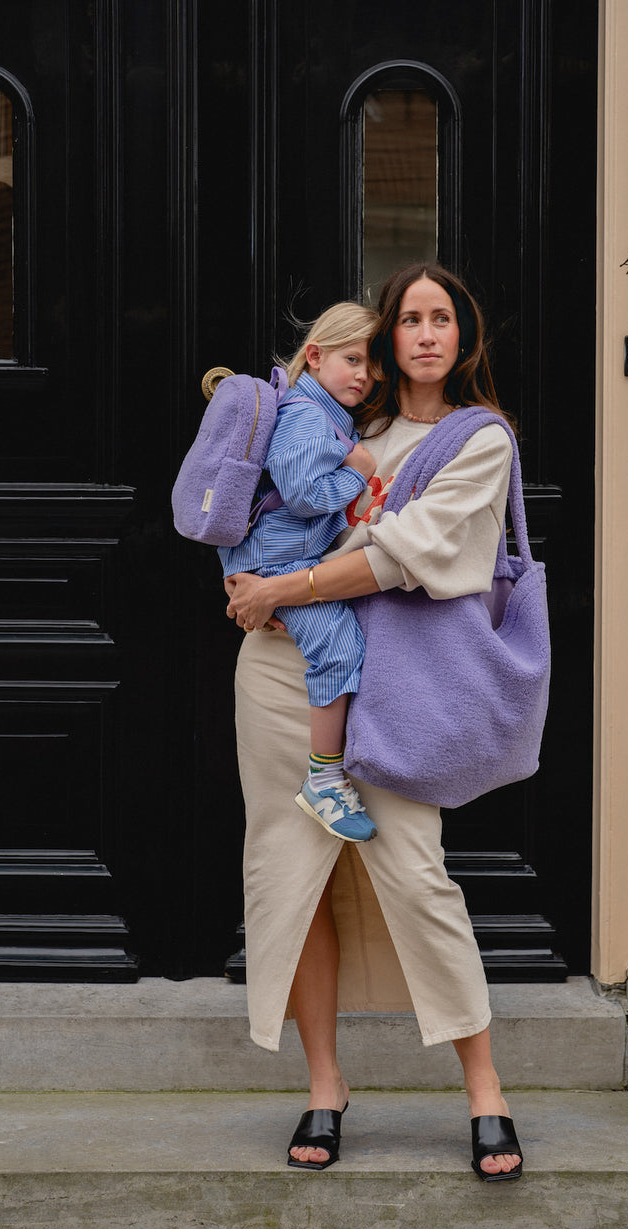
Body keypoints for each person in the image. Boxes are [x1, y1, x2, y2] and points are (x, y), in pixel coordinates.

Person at [225, 264, 523, 1181]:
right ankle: (324, 1085)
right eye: (410, 319)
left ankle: (486, 1092)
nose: (426, 334)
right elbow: (262, 510)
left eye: (442, 319)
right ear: (385, 338)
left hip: (394, 686)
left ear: (463, 337)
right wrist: (253, 585)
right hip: (283, 677)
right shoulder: (342, 423)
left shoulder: (481, 442)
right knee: (297, 873)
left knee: (415, 870)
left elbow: (405, 555)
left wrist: (288, 585)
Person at [220, 303, 380, 843]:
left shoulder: (329, 414)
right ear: (315, 356)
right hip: (279, 563)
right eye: (353, 359)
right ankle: (324, 779)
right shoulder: (307, 417)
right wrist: (355, 475)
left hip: (290, 559)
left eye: (373, 364)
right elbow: (305, 493)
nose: (364, 375)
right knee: (337, 644)